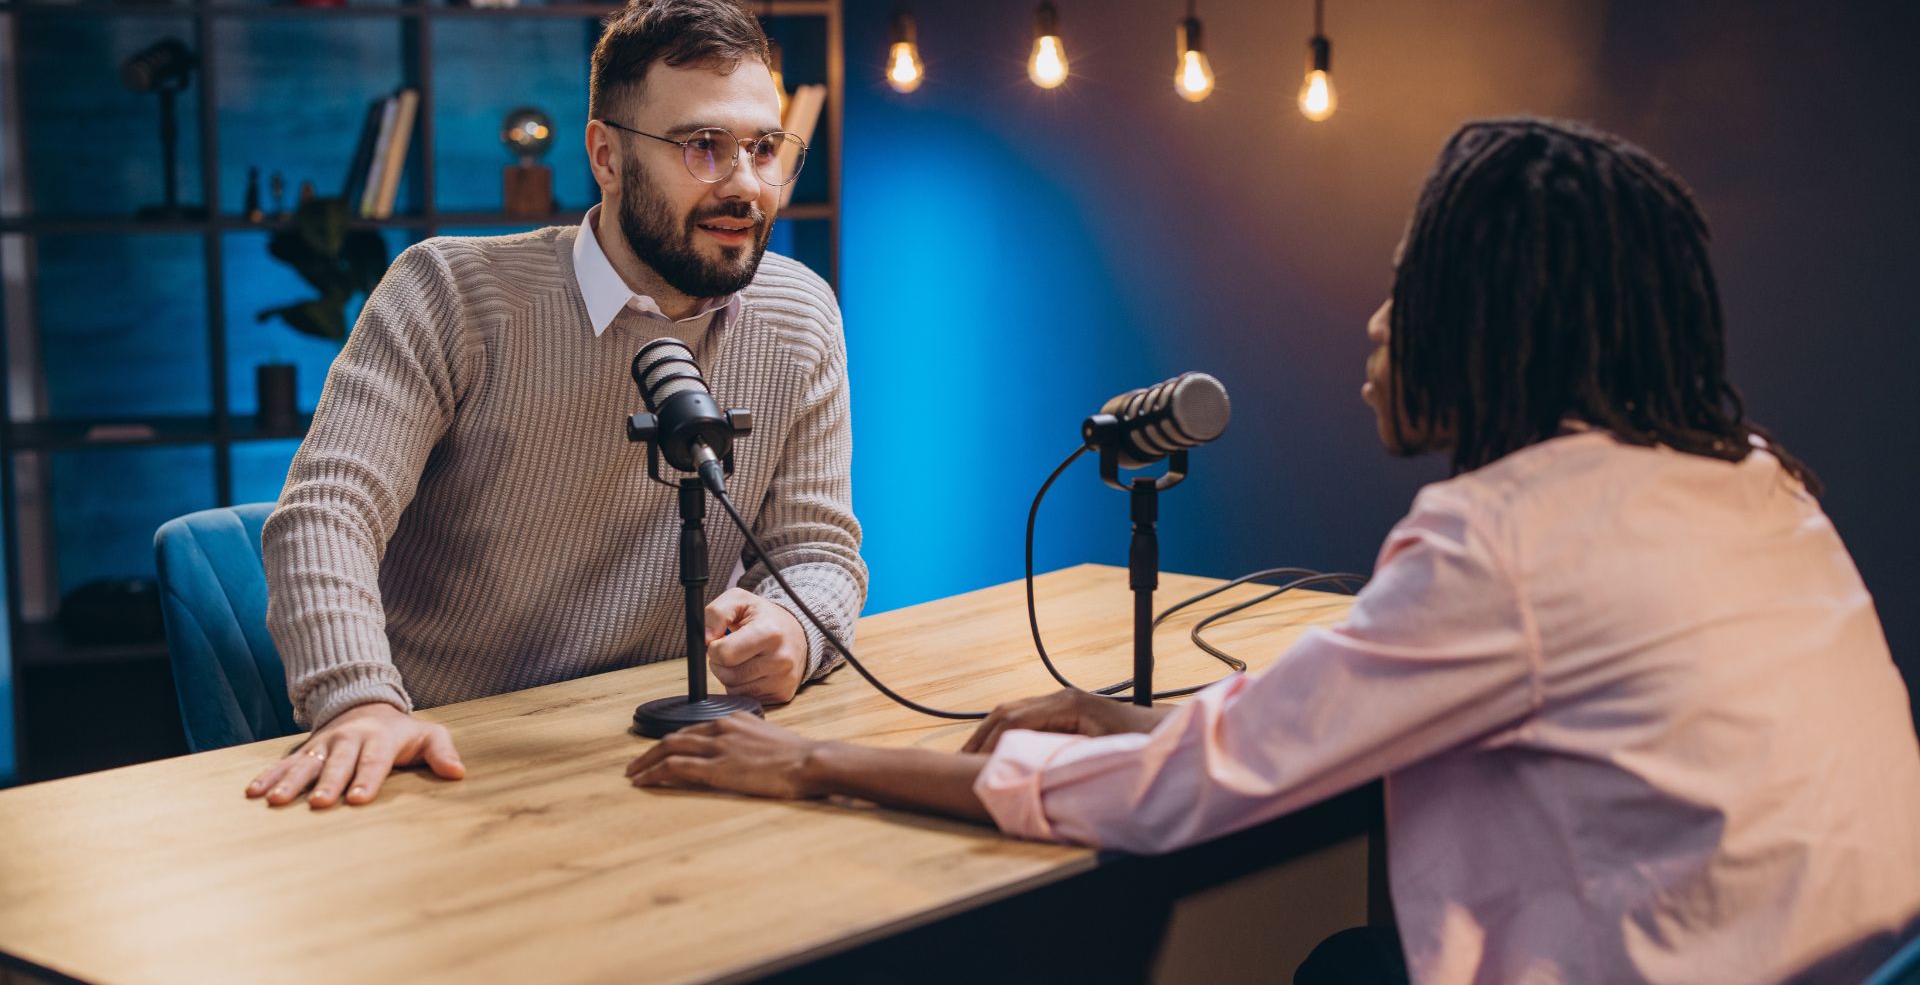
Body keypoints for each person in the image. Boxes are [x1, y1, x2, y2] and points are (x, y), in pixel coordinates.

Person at [626, 118, 1920, 983]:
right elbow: (1317, 715)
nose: (1374, 324)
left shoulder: (1511, 542)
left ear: (1487, 323)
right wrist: (1111, 713)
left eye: (1406, 288)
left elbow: (1178, 798)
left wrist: (814, 765)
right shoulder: (1750, 482)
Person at [247, 0, 865, 810]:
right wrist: (360, 700)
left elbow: (815, 552)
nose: (746, 185)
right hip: (446, 757)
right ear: (606, 156)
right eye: (702, 147)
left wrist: (793, 626)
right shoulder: (452, 293)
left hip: (655, 751)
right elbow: (327, 513)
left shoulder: (799, 311)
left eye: (764, 149)